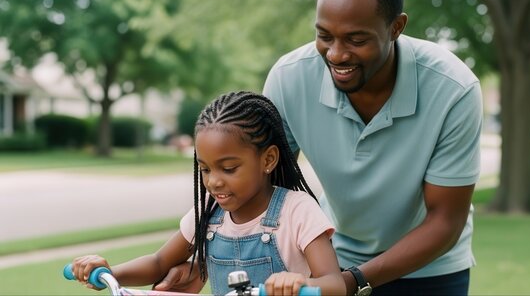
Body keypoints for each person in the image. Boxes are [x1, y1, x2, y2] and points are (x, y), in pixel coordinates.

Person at [160, 0, 482, 296]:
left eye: (356, 40)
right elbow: (259, 184)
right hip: (331, 262)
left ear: (396, 27)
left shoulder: (454, 89)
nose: (336, 54)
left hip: (430, 272)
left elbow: (445, 221)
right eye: (325, 35)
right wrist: (207, 258)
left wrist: (353, 280)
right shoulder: (290, 78)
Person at [69, 91, 345, 296]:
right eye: (205, 169)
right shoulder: (209, 213)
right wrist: (108, 273)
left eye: (229, 168)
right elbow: (158, 262)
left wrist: (300, 283)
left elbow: (334, 283)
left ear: (268, 160)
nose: (213, 182)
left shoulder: (296, 210)